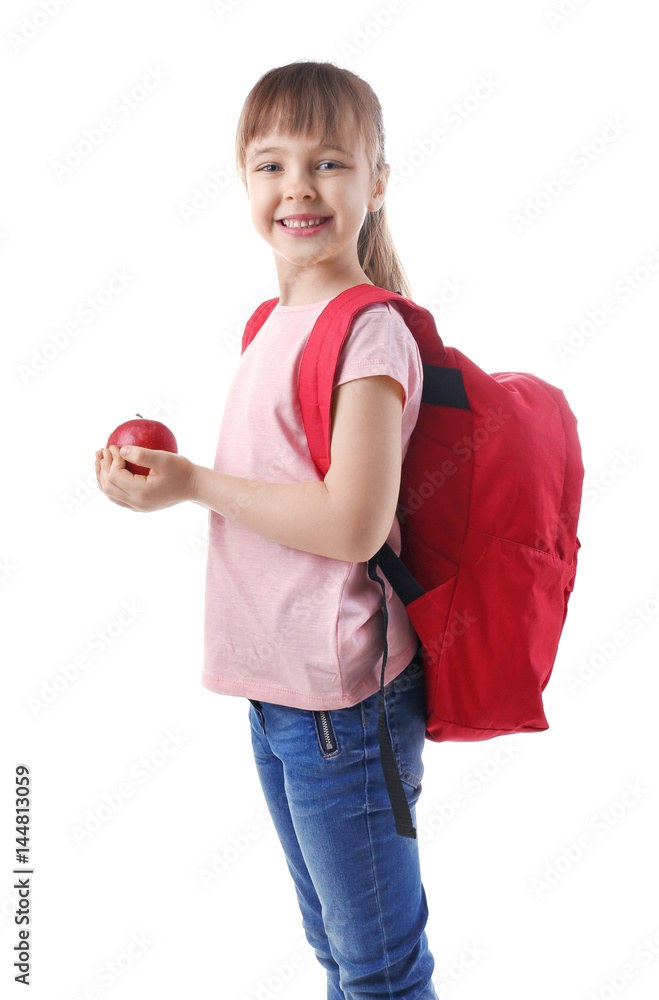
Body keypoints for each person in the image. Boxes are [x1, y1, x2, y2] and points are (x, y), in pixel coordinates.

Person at [95, 59, 438, 1000]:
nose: (297, 188)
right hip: (282, 694)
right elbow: (278, 489)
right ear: (244, 179)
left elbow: (351, 521)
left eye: (327, 163)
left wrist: (194, 484)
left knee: (380, 970)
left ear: (375, 182)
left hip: (341, 704)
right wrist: (155, 485)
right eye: (270, 164)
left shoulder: (367, 332)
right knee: (340, 953)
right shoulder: (270, 323)